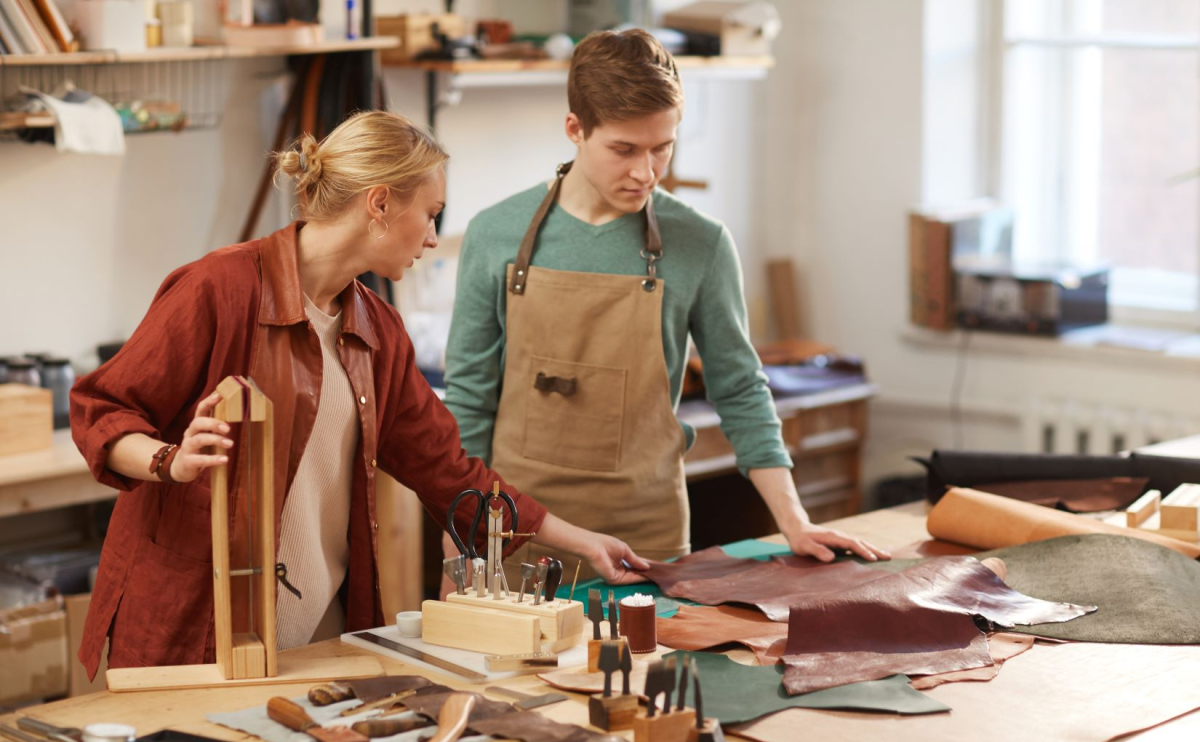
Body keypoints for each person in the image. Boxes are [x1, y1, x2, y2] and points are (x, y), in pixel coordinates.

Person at [69, 110, 647, 679]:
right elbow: (100, 409)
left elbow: (447, 471)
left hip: (315, 630)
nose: (430, 237)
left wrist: (582, 542)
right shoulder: (218, 289)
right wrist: (172, 461)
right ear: (379, 204)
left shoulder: (377, 330)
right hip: (196, 628)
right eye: (430, 215)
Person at [443, 29, 889, 577]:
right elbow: (468, 399)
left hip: (645, 538)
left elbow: (740, 387)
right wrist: (460, 545)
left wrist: (795, 520)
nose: (646, 172)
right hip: (514, 531)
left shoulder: (700, 242)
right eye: (624, 150)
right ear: (575, 130)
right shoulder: (495, 233)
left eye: (663, 148)